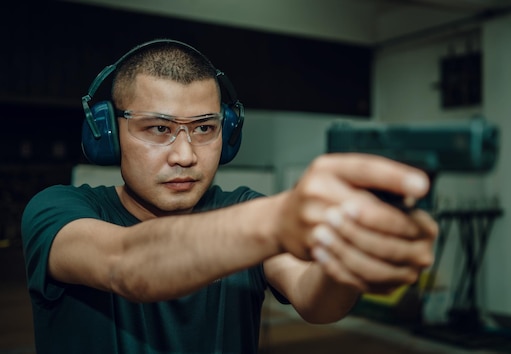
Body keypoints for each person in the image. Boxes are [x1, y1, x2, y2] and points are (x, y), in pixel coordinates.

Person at [21, 39, 439, 354]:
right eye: (158, 129)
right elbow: (127, 265)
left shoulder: (244, 209)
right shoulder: (57, 211)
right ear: (107, 135)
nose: (185, 155)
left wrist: (349, 252)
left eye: (204, 128)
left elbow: (317, 303)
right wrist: (278, 220)